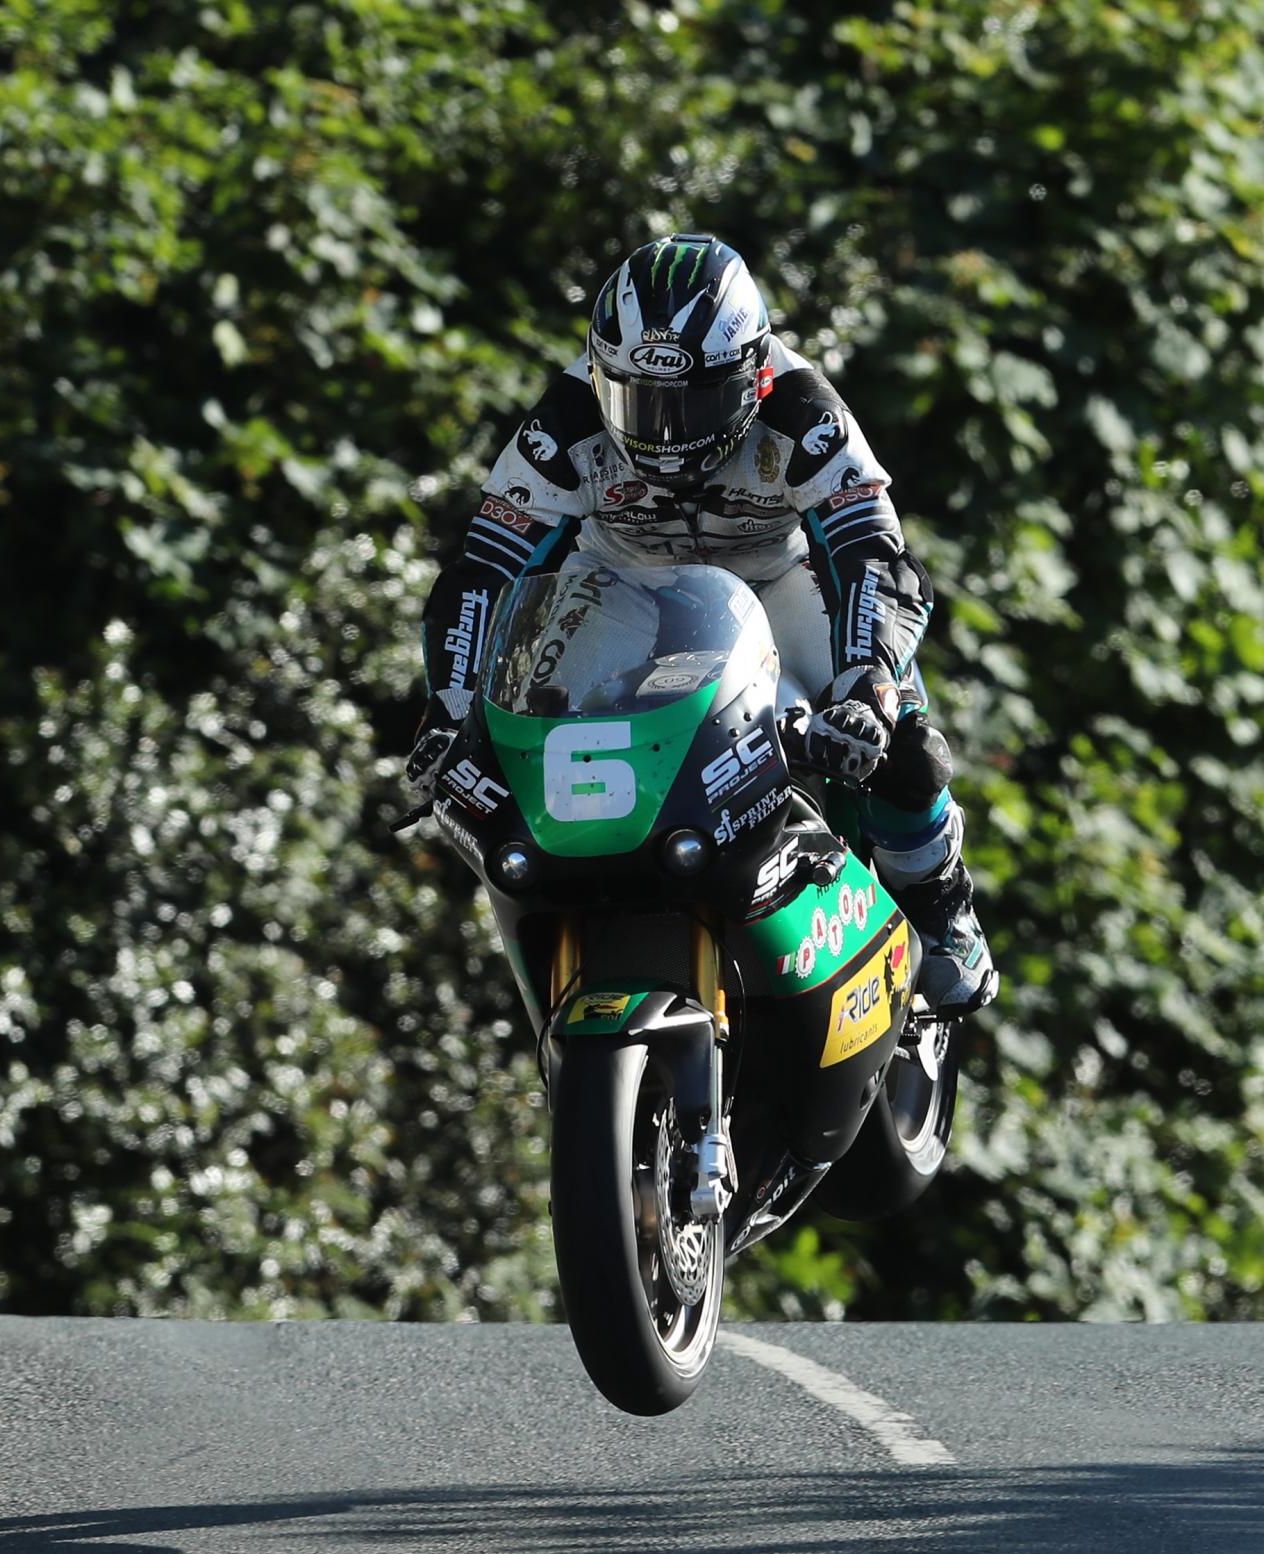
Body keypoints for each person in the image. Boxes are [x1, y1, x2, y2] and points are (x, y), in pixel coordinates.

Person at [408, 233, 997, 1015]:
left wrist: (868, 684)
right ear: (597, 372)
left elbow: (870, 551)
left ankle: (941, 905)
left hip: (774, 582)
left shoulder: (805, 408)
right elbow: (485, 568)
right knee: (526, 720)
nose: (664, 430)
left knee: (901, 737)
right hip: (619, 583)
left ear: (753, 375)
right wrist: (449, 709)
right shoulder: (562, 420)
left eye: (695, 403)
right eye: (637, 401)